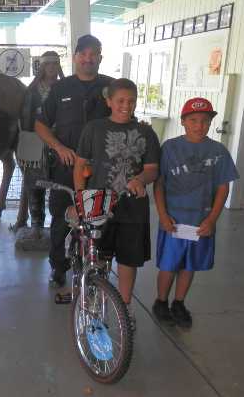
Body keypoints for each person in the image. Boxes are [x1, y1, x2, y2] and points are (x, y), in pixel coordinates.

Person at [74, 78, 160, 328]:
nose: (126, 105)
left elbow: (152, 169)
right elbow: (81, 165)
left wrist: (140, 179)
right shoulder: (93, 128)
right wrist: (81, 199)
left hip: (133, 208)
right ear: (109, 101)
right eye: (120, 100)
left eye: (131, 101)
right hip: (97, 203)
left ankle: (125, 306)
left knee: (128, 259)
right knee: (96, 256)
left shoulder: (146, 132)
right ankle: (93, 299)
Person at [152, 97, 239, 329]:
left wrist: (212, 219)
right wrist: (162, 215)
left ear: (210, 123)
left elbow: (223, 187)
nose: (199, 125)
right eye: (193, 120)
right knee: (169, 265)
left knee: (189, 266)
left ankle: (179, 303)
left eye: (205, 121)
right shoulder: (170, 148)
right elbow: (159, 184)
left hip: (200, 222)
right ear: (183, 121)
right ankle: (161, 301)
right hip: (173, 221)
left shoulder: (218, 151)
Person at [35, 34, 113, 287]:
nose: (88, 58)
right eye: (84, 54)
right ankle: (58, 267)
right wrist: (58, 147)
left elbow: (123, 117)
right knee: (61, 217)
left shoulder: (110, 87)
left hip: (99, 169)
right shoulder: (60, 88)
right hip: (65, 167)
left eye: (94, 54)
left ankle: (96, 265)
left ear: (100, 58)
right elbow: (40, 124)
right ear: (76, 57)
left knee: (98, 218)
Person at [14, 51, 64, 235]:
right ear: (42, 67)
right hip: (35, 143)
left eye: (55, 63)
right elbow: (25, 118)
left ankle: (59, 225)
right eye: (48, 64)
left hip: (60, 143)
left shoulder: (64, 87)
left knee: (60, 186)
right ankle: (36, 224)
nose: (51, 67)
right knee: (35, 186)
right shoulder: (32, 90)